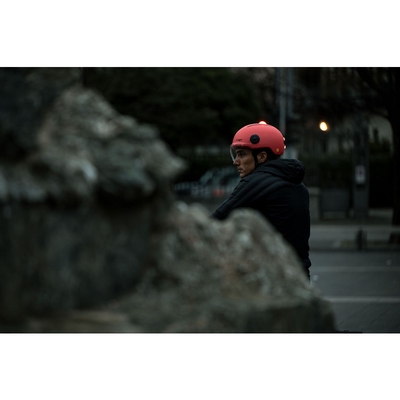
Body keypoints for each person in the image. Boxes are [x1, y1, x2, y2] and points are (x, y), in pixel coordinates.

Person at [211, 121, 311, 279]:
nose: (235, 161)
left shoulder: (256, 181)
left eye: (242, 154)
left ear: (262, 156)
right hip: (299, 273)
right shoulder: (297, 183)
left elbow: (218, 218)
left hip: (275, 275)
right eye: (236, 154)